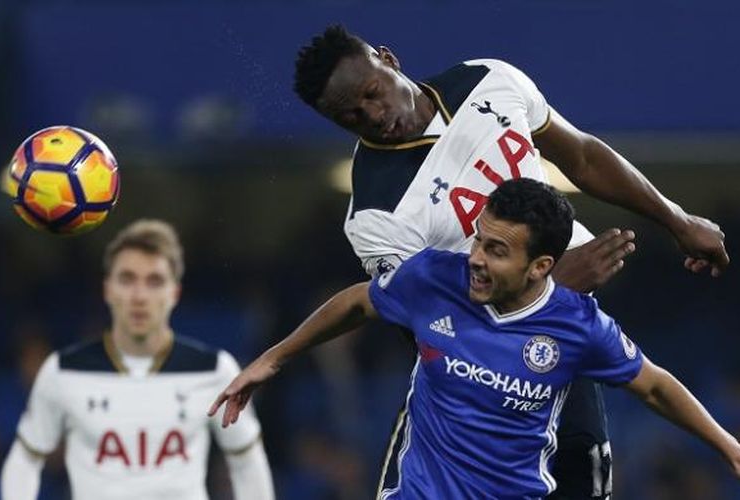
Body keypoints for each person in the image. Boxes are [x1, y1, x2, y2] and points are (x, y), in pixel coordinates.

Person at [289, 25, 729, 499]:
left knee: (587, 477)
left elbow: (580, 157)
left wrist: (676, 219)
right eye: (351, 116)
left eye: (373, 94)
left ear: (388, 60)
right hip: (471, 399)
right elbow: (434, 331)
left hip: (564, 342)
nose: (374, 115)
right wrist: (550, 290)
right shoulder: (376, 213)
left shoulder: (489, 81)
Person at [210, 178, 739, 499]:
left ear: (541, 267)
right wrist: (275, 359)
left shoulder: (577, 326)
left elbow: (654, 386)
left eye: (498, 251)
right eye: (480, 241)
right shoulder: (434, 278)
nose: (478, 259)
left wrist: (727, 446)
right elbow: (358, 301)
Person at [0, 219, 275, 500]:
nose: (139, 296)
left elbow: (247, 462)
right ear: (107, 289)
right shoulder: (62, 371)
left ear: (174, 293)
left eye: (154, 281)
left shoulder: (215, 370)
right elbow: (25, 460)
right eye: (127, 279)